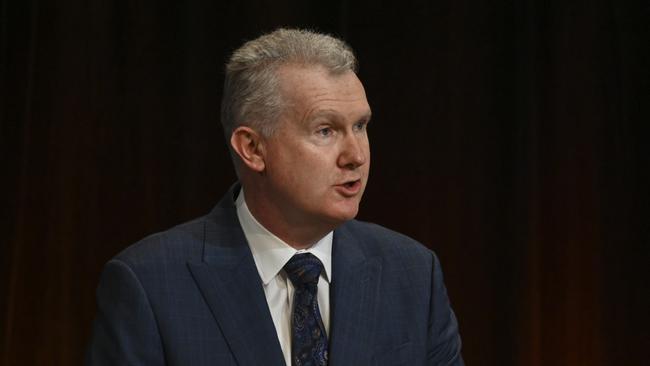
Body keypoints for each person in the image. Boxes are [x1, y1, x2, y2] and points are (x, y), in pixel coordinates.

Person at [85, 28, 464, 366]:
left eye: (360, 126)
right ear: (252, 148)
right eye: (325, 130)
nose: (356, 156)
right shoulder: (148, 284)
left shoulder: (413, 274)